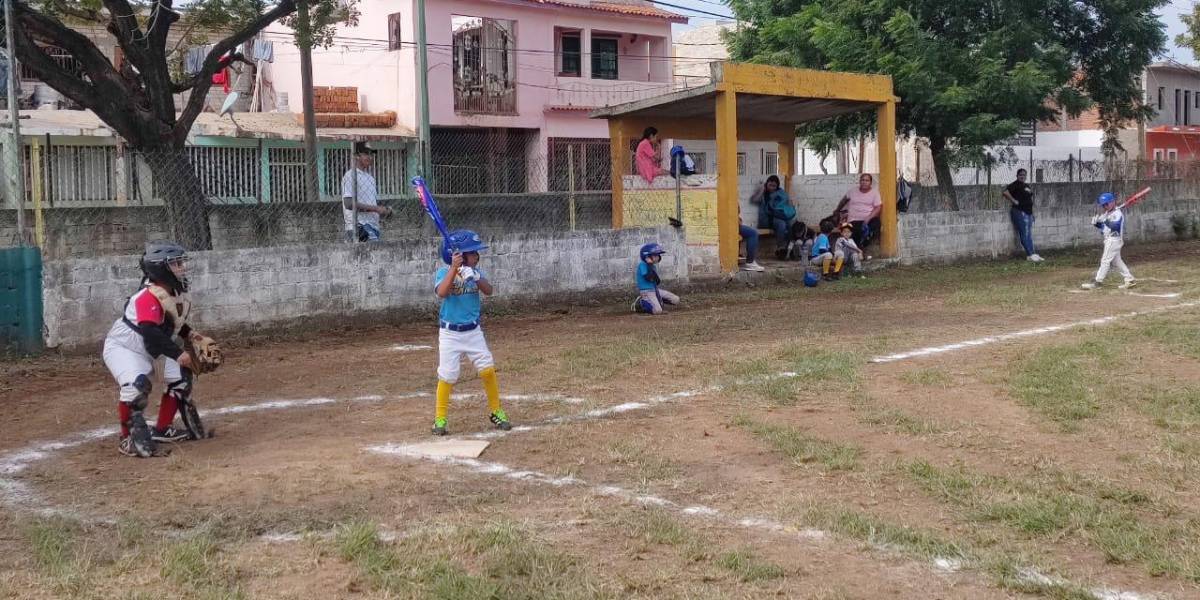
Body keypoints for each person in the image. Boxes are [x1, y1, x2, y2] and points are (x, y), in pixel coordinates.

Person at [101, 241, 212, 458]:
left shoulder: (174, 291)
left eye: (181, 262)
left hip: (152, 347)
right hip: (124, 348)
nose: (182, 267)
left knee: (180, 378)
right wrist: (179, 354)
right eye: (176, 264)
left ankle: (162, 429)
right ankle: (127, 439)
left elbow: (171, 322)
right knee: (136, 387)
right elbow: (151, 331)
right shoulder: (147, 296)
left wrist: (191, 335)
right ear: (160, 268)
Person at [431, 230, 512, 436]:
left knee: (487, 369)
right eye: (472, 253)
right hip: (450, 333)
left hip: (473, 331)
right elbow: (442, 293)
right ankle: (440, 419)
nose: (477, 256)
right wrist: (454, 270)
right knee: (447, 375)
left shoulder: (476, 272)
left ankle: (496, 411)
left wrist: (475, 277)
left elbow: (489, 290)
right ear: (457, 255)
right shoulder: (443, 272)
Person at [1081, 193, 1136, 290]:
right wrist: (1097, 224)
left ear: (1112, 202)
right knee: (1116, 262)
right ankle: (1129, 279)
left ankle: (1098, 282)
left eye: (1106, 204)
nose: (1104, 206)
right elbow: (1104, 229)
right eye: (1103, 205)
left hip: (1114, 240)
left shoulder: (1117, 213)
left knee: (1105, 260)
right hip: (1109, 239)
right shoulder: (1107, 214)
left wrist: (1104, 221)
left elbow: (1115, 227)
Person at [342, 142, 393, 242]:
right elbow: (348, 204)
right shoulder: (350, 175)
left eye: (371, 154)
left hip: (373, 226)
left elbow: (371, 205)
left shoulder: (370, 178)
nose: (370, 157)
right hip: (359, 226)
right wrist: (376, 208)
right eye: (366, 154)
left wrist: (383, 211)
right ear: (356, 156)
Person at [1003, 169, 1044, 262]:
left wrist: (1032, 213)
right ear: (1017, 175)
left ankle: (1032, 254)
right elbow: (1005, 192)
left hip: (1028, 213)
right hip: (1019, 212)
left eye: (1024, 175)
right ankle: (1029, 254)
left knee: (1029, 234)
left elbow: (1029, 199)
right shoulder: (1015, 184)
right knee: (1024, 234)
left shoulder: (1026, 186)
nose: (1022, 176)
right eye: (1021, 175)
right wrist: (1014, 201)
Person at [833, 173, 882, 249]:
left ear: (870, 183)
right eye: (862, 180)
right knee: (854, 231)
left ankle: (866, 245)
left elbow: (878, 207)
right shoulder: (852, 191)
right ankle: (859, 249)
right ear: (860, 181)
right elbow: (844, 200)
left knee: (876, 223)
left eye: (867, 180)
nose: (864, 182)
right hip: (853, 220)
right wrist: (837, 210)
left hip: (867, 220)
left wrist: (868, 218)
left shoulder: (875, 193)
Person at [752, 175, 796, 259]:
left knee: (787, 224)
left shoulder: (781, 193)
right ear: (766, 184)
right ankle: (782, 248)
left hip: (779, 216)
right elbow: (754, 200)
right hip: (766, 219)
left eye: (774, 186)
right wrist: (762, 190)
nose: (772, 188)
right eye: (770, 185)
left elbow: (786, 204)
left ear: (777, 186)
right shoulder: (763, 193)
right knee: (782, 224)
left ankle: (786, 249)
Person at [632, 243, 680, 315]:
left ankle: (655, 301)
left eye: (658, 255)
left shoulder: (653, 266)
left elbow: (657, 281)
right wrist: (649, 265)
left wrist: (651, 266)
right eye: (655, 255)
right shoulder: (642, 265)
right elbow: (648, 278)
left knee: (675, 300)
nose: (658, 257)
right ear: (647, 256)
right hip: (646, 291)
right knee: (657, 311)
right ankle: (641, 302)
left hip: (655, 290)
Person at [739, 207, 764, 272]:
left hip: (734, 223)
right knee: (753, 233)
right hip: (732, 224)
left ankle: (739, 255)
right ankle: (750, 262)